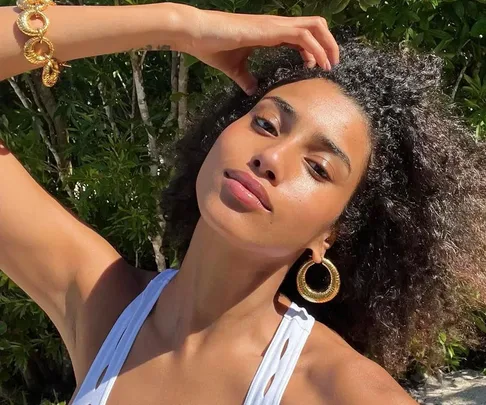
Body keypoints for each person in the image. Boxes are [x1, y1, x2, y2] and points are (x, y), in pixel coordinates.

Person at [1, 1, 484, 404]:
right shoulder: (104, 306)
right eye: (266, 124)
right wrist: (178, 24)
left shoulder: (343, 392)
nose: (271, 157)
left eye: (318, 167)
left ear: (330, 234)